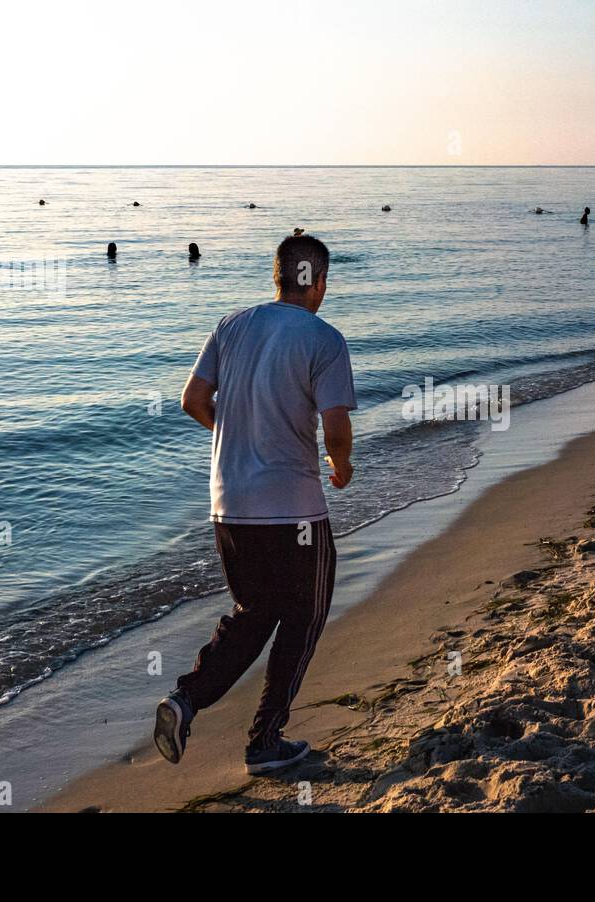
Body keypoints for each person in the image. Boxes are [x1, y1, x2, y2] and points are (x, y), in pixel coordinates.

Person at [155, 234, 357, 775]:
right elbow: (336, 426)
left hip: (229, 504)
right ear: (317, 281)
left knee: (255, 612)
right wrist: (341, 467)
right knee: (306, 613)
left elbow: (193, 400)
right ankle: (265, 741)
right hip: (292, 508)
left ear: (279, 275)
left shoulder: (231, 325)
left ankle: (185, 701)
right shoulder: (324, 339)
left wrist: (239, 432)